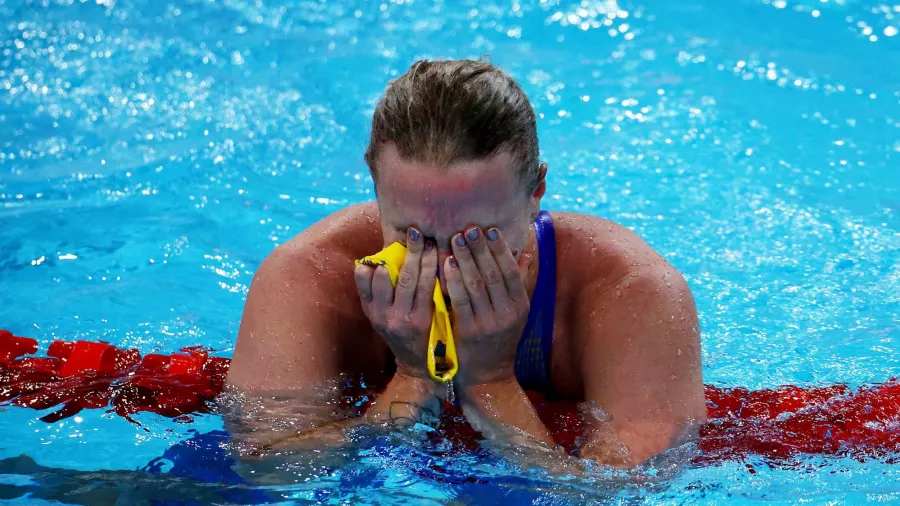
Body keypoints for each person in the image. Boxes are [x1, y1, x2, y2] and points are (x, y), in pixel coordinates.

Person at [225, 59, 706, 467]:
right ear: (375, 186)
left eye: (476, 237)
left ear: (535, 194)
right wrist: (413, 378)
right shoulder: (307, 275)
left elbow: (619, 495)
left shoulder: (629, 291)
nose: (443, 265)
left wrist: (491, 380)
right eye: (415, 235)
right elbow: (264, 467)